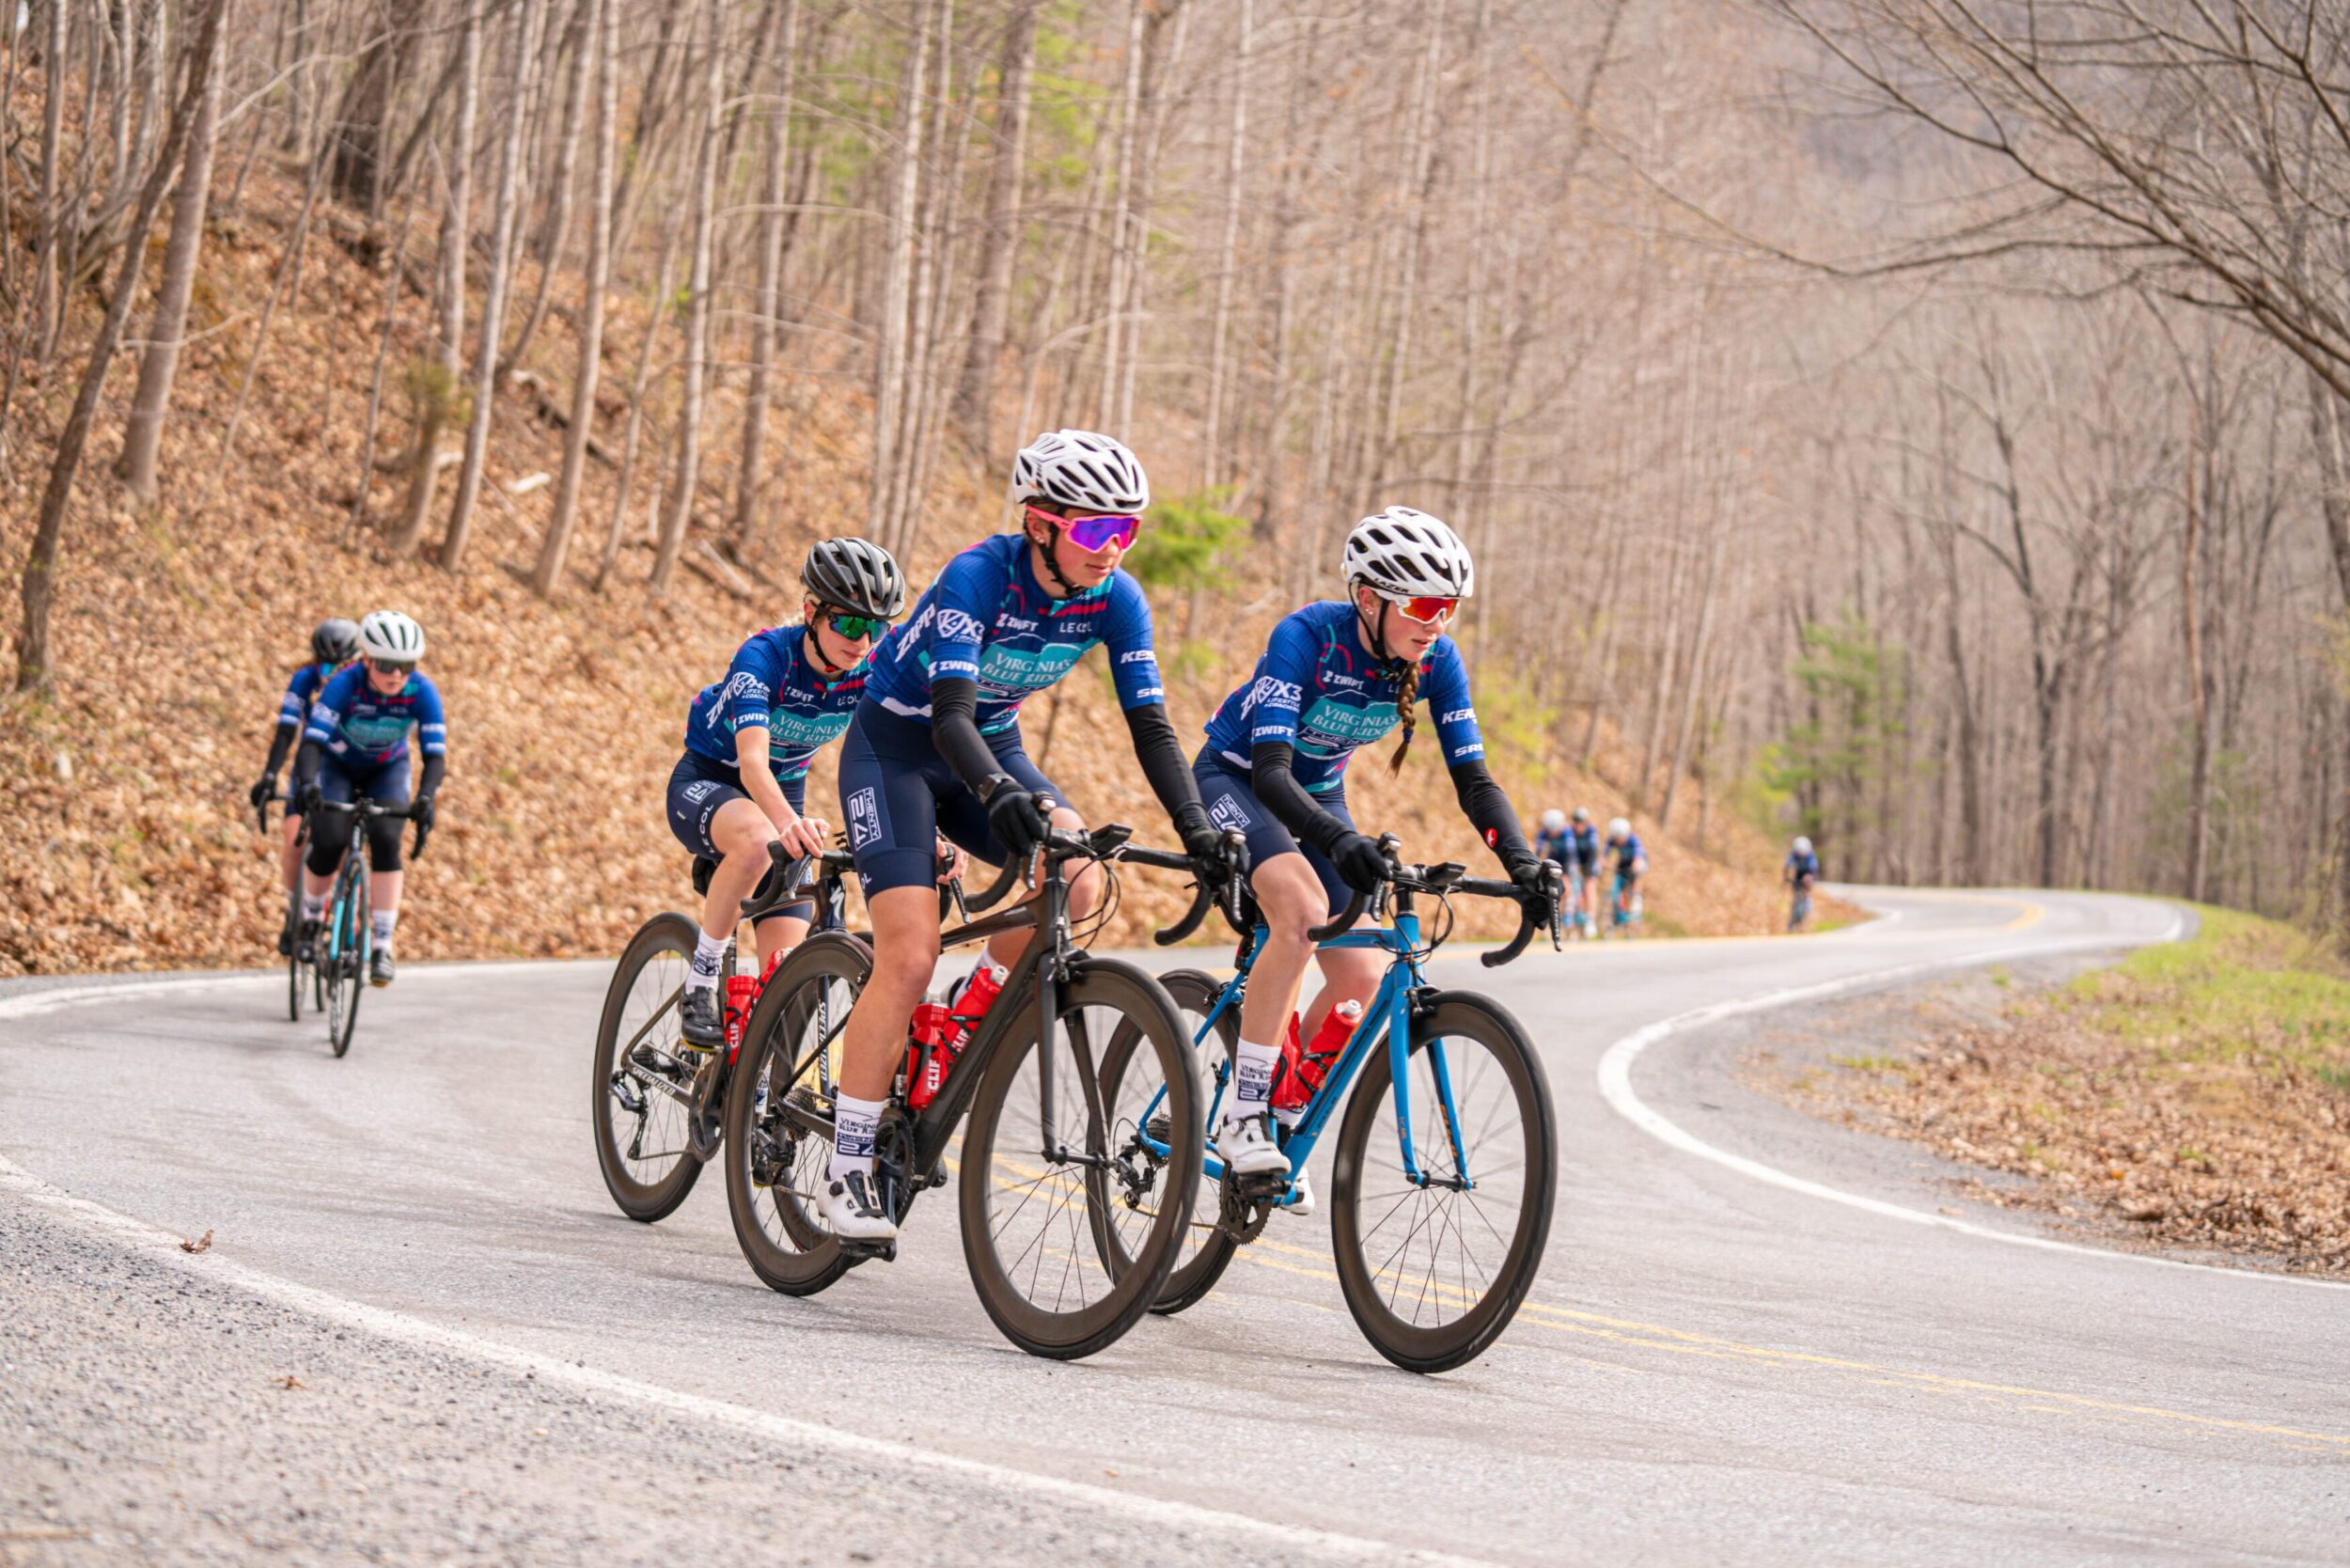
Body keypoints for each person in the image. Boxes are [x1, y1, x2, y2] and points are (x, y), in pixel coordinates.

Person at [819, 430, 1232, 1243]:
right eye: (1092, 530)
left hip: (992, 745)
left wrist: (1199, 825)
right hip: (900, 751)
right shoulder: (980, 576)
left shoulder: (1116, 599)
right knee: (906, 954)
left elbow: (1151, 726)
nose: (1111, 547)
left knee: (1078, 879)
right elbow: (948, 717)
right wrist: (995, 792)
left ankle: (958, 1017)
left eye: (1128, 530)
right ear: (1040, 523)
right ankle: (846, 1161)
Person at [1192, 507, 1551, 1199]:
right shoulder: (1306, 636)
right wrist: (1338, 841)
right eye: (1421, 603)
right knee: (1300, 911)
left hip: (1320, 792)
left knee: (1358, 973)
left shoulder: (1437, 660)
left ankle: (1283, 1104)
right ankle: (1241, 1114)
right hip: (1238, 777)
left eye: (1447, 606)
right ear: (1368, 597)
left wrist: (1525, 865)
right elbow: (1270, 770)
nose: (1436, 620)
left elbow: (1473, 780)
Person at [667, 539, 908, 1049]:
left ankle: (738, 1086)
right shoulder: (765, 657)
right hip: (713, 778)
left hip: (785, 793)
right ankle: (702, 979)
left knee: (780, 977)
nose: (861, 640)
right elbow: (753, 762)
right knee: (756, 840)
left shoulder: (867, 672)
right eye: (846, 622)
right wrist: (786, 824)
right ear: (810, 612)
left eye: (876, 627)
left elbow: (898, 754)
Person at [293, 611, 445, 986]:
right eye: (386, 664)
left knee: (388, 840)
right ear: (365, 659)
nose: (396, 674)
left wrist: (426, 798)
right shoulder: (345, 684)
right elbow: (312, 742)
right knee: (329, 840)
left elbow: (435, 756)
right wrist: (309, 783)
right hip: (337, 764)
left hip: (386, 769)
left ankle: (381, 945)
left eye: (405, 666)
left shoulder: (422, 691)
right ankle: (312, 920)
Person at [250, 618, 360, 954]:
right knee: (295, 840)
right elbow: (285, 732)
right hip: (310, 769)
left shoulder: (362, 685)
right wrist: (270, 774)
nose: (330, 672)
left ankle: (348, 913)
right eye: (324, 663)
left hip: (352, 770)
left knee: (344, 847)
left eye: (338, 665)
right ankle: (294, 913)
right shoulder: (304, 680)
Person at [1535, 808, 1585, 941]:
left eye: (1555, 830)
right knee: (1552, 892)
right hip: (1554, 862)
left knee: (1567, 889)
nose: (1552, 834)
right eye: (1550, 830)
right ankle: (1556, 920)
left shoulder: (1567, 833)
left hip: (1569, 864)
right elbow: (1538, 852)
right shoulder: (1544, 832)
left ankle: (1572, 921)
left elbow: (1569, 856)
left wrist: (1566, 876)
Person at [1605, 816, 1646, 933]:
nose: (1618, 841)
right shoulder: (1611, 840)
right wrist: (1603, 862)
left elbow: (1638, 856)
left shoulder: (1634, 840)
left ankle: (1636, 897)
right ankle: (1616, 911)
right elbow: (1605, 854)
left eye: (1620, 838)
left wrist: (1635, 866)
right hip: (1623, 862)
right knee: (1617, 885)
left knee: (1636, 875)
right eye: (1616, 838)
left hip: (1637, 861)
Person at [1567, 806, 1602, 935]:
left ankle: (1590, 919)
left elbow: (1594, 851)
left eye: (1581, 822)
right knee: (1572, 885)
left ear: (1586, 823)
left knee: (1589, 885)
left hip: (1590, 861)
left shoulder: (1592, 831)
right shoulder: (1570, 830)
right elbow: (1568, 850)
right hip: (1576, 861)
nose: (1578, 825)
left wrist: (1588, 870)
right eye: (1576, 822)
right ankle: (1572, 915)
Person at [1784, 834, 1821, 931]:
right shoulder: (1793, 855)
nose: (1800, 854)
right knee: (1796, 896)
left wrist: (1809, 877)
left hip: (1808, 875)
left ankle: (1805, 915)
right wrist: (1786, 876)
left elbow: (1813, 868)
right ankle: (1793, 918)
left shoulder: (1810, 856)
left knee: (1806, 892)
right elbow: (1787, 865)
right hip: (1797, 876)